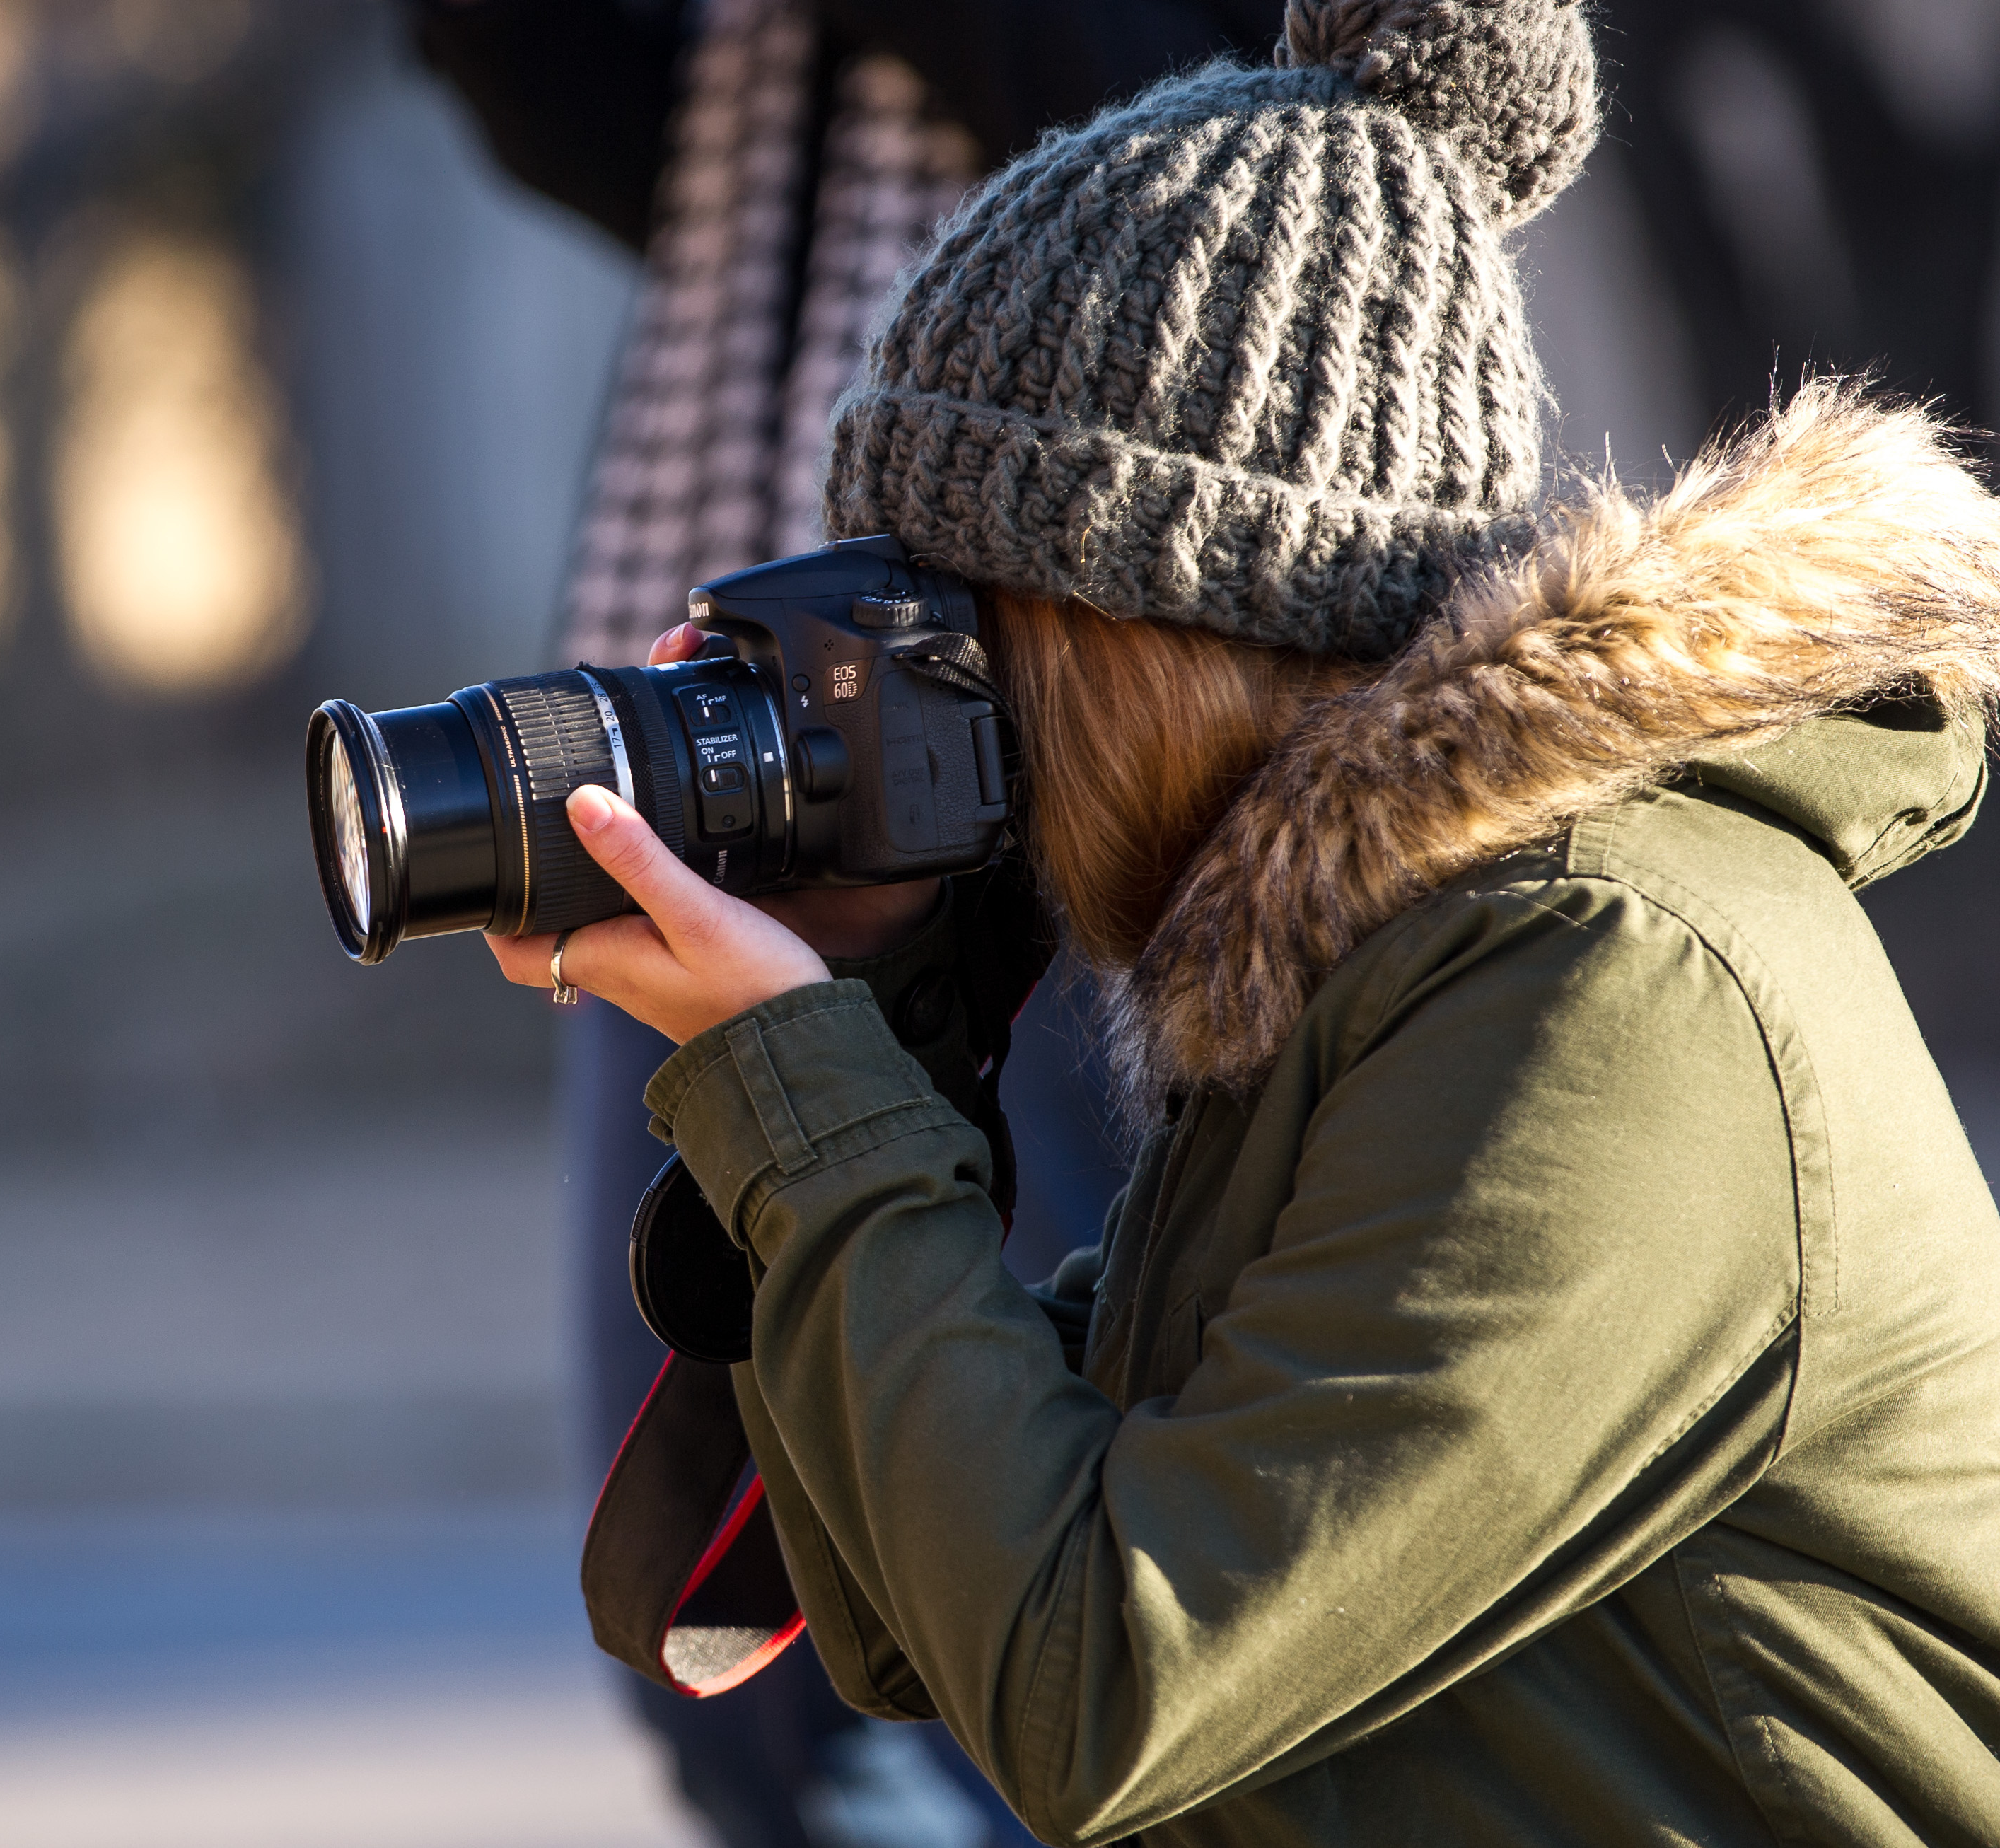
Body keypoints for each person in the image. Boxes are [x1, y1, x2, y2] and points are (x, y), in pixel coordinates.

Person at [487, 1, 2000, 1840]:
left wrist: (796, 1088)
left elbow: (1099, 1685)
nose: (927, 701)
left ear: (1153, 623)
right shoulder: (1375, 969)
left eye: (964, 623)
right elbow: (918, 1616)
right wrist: (852, 1017)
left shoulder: (1608, 985)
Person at [413, 5, 1278, 1844]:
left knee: (1013, 1569)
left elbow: (1164, 103)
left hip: (1051, 743)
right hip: (705, 726)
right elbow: (609, 133)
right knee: (729, 1620)